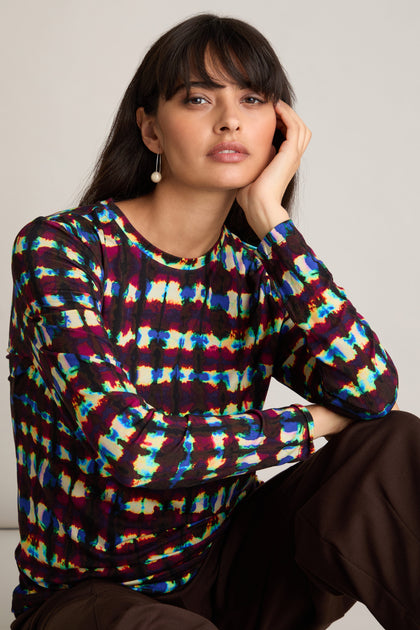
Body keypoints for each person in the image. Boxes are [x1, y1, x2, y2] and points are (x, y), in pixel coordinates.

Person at [7, 13, 420, 630]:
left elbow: (373, 394)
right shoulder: (61, 249)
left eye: (251, 100)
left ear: (279, 129)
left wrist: (275, 226)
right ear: (150, 128)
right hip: (89, 600)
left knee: (393, 443)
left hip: (230, 576)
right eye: (198, 98)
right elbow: (136, 450)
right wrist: (312, 422)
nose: (229, 119)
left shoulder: (254, 271)